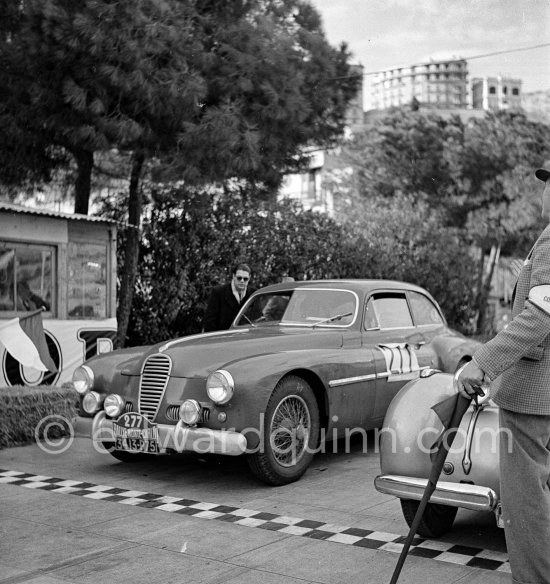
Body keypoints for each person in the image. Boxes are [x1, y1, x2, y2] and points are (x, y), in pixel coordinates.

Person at [457, 167, 550, 584]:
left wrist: (484, 361)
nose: (543, 191)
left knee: (525, 500)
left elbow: (541, 315)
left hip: (534, 395)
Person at [203, 263, 255, 332]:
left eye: (245, 279)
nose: (242, 281)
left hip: (245, 338)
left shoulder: (253, 293)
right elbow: (209, 322)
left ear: (249, 278)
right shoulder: (218, 292)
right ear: (233, 276)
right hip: (223, 337)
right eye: (239, 278)